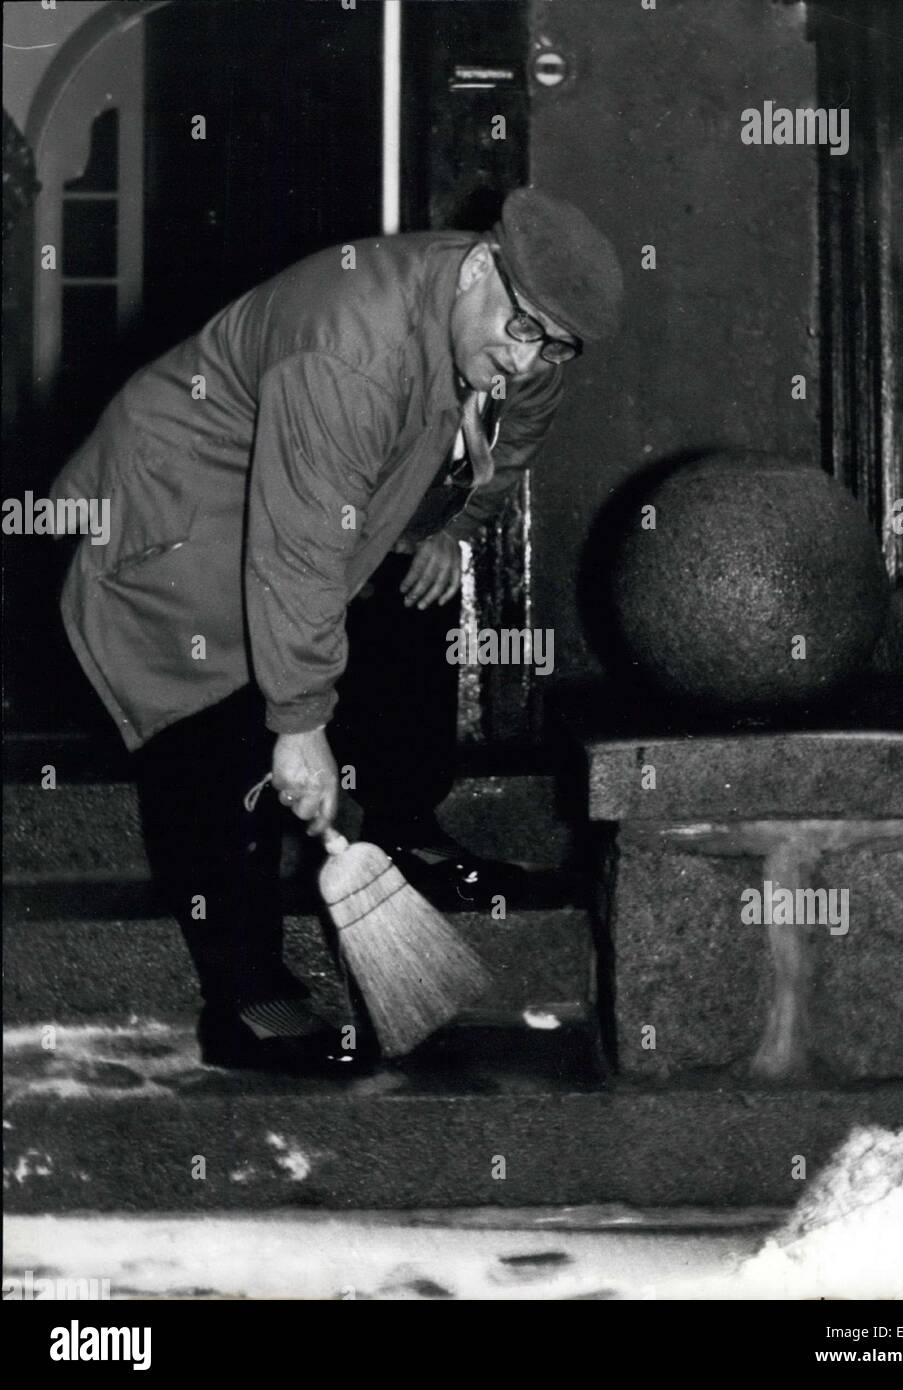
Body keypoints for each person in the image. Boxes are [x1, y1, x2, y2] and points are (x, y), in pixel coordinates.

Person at [50, 188, 624, 1076]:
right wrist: (299, 723)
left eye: (555, 345)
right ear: (480, 266)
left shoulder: (523, 347)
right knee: (215, 737)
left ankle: (402, 824)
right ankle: (247, 998)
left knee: (409, 591)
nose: (527, 360)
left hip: (333, 495)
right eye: (521, 330)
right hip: (175, 512)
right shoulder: (351, 343)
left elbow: (512, 444)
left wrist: (451, 532)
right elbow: (296, 549)